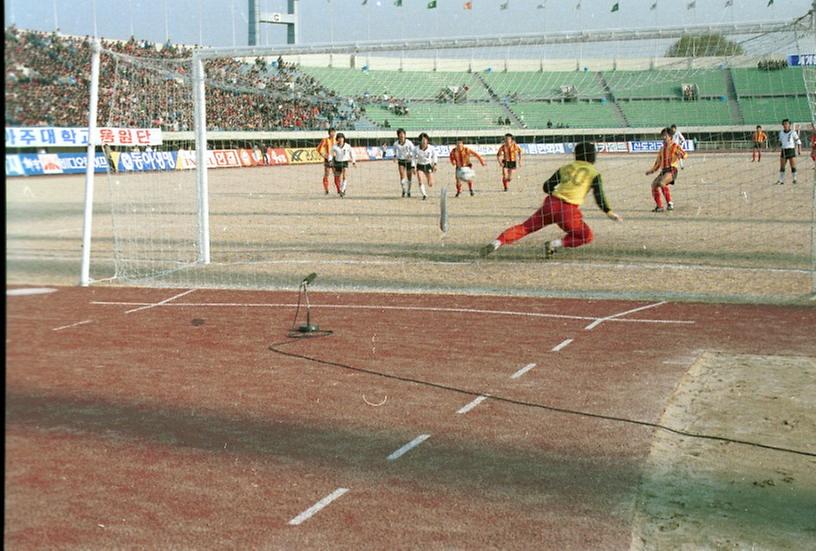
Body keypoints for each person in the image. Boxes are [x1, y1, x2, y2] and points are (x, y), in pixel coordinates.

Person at [479, 142, 621, 259]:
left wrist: (555, 197)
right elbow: (599, 196)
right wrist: (608, 212)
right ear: (592, 156)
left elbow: (546, 186)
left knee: (525, 227)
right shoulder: (594, 173)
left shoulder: (566, 168)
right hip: (568, 211)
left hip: (550, 203)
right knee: (586, 236)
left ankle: (497, 242)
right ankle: (554, 244)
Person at [646, 128, 687, 212]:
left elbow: (685, 154)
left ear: (670, 136)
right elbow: (657, 163)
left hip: (672, 170)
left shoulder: (675, 146)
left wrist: (681, 155)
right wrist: (651, 170)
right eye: (662, 136)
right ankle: (659, 206)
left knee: (662, 183)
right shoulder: (662, 149)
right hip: (664, 171)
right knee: (653, 185)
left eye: (665, 135)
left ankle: (670, 203)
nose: (663, 137)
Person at [412, 132, 438, 201]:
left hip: (428, 165)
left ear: (427, 140)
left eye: (425, 140)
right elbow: (413, 158)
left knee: (430, 183)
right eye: (422, 140)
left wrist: (434, 164)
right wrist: (413, 167)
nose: (424, 142)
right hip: (420, 165)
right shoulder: (416, 149)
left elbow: (435, 156)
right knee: (420, 180)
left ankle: (429, 181)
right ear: (420, 141)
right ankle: (424, 195)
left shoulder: (431, 148)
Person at [330, 133, 356, 197]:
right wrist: (330, 160)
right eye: (339, 138)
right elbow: (330, 154)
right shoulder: (334, 146)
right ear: (337, 139)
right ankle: (339, 189)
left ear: (344, 139)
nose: (341, 139)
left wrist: (353, 161)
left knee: (345, 176)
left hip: (344, 162)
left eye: (342, 138)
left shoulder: (347, 146)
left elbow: (352, 153)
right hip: (337, 162)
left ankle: (343, 189)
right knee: (337, 177)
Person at [776, 118, 801, 185]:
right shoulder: (781, 133)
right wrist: (777, 146)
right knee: (782, 166)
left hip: (791, 150)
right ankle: (781, 180)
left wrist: (799, 150)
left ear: (789, 125)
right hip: (784, 150)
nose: (785, 125)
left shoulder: (793, 132)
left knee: (793, 165)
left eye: (787, 124)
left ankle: (794, 179)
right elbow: (780, 141)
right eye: (784, 124)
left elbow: (798, 141)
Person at [392, 128, 415, 198]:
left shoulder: (409, 142)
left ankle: (409, 191)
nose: (402, 136)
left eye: (403, 134)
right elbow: (394, 151)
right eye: (400, 134)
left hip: (408, 161)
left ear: (405, 135)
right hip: (401, 161)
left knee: (409, 177)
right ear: (398, 136)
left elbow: (413, 151)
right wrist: (395, 156)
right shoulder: (396, 144)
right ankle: (403, 190)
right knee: (402, 176)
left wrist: (410, 155)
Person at [316, 127, 337, 194]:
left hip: (335, 159)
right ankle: (326, 189)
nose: (333, 133)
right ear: (329, 133)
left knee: (336, 174)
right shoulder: (325, 140)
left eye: (334, 132)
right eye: (331, 132)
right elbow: (319, 149)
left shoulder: (337, 140)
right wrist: (324, 155)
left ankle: (338, 188)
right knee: (327, 173)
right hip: (328, 159)